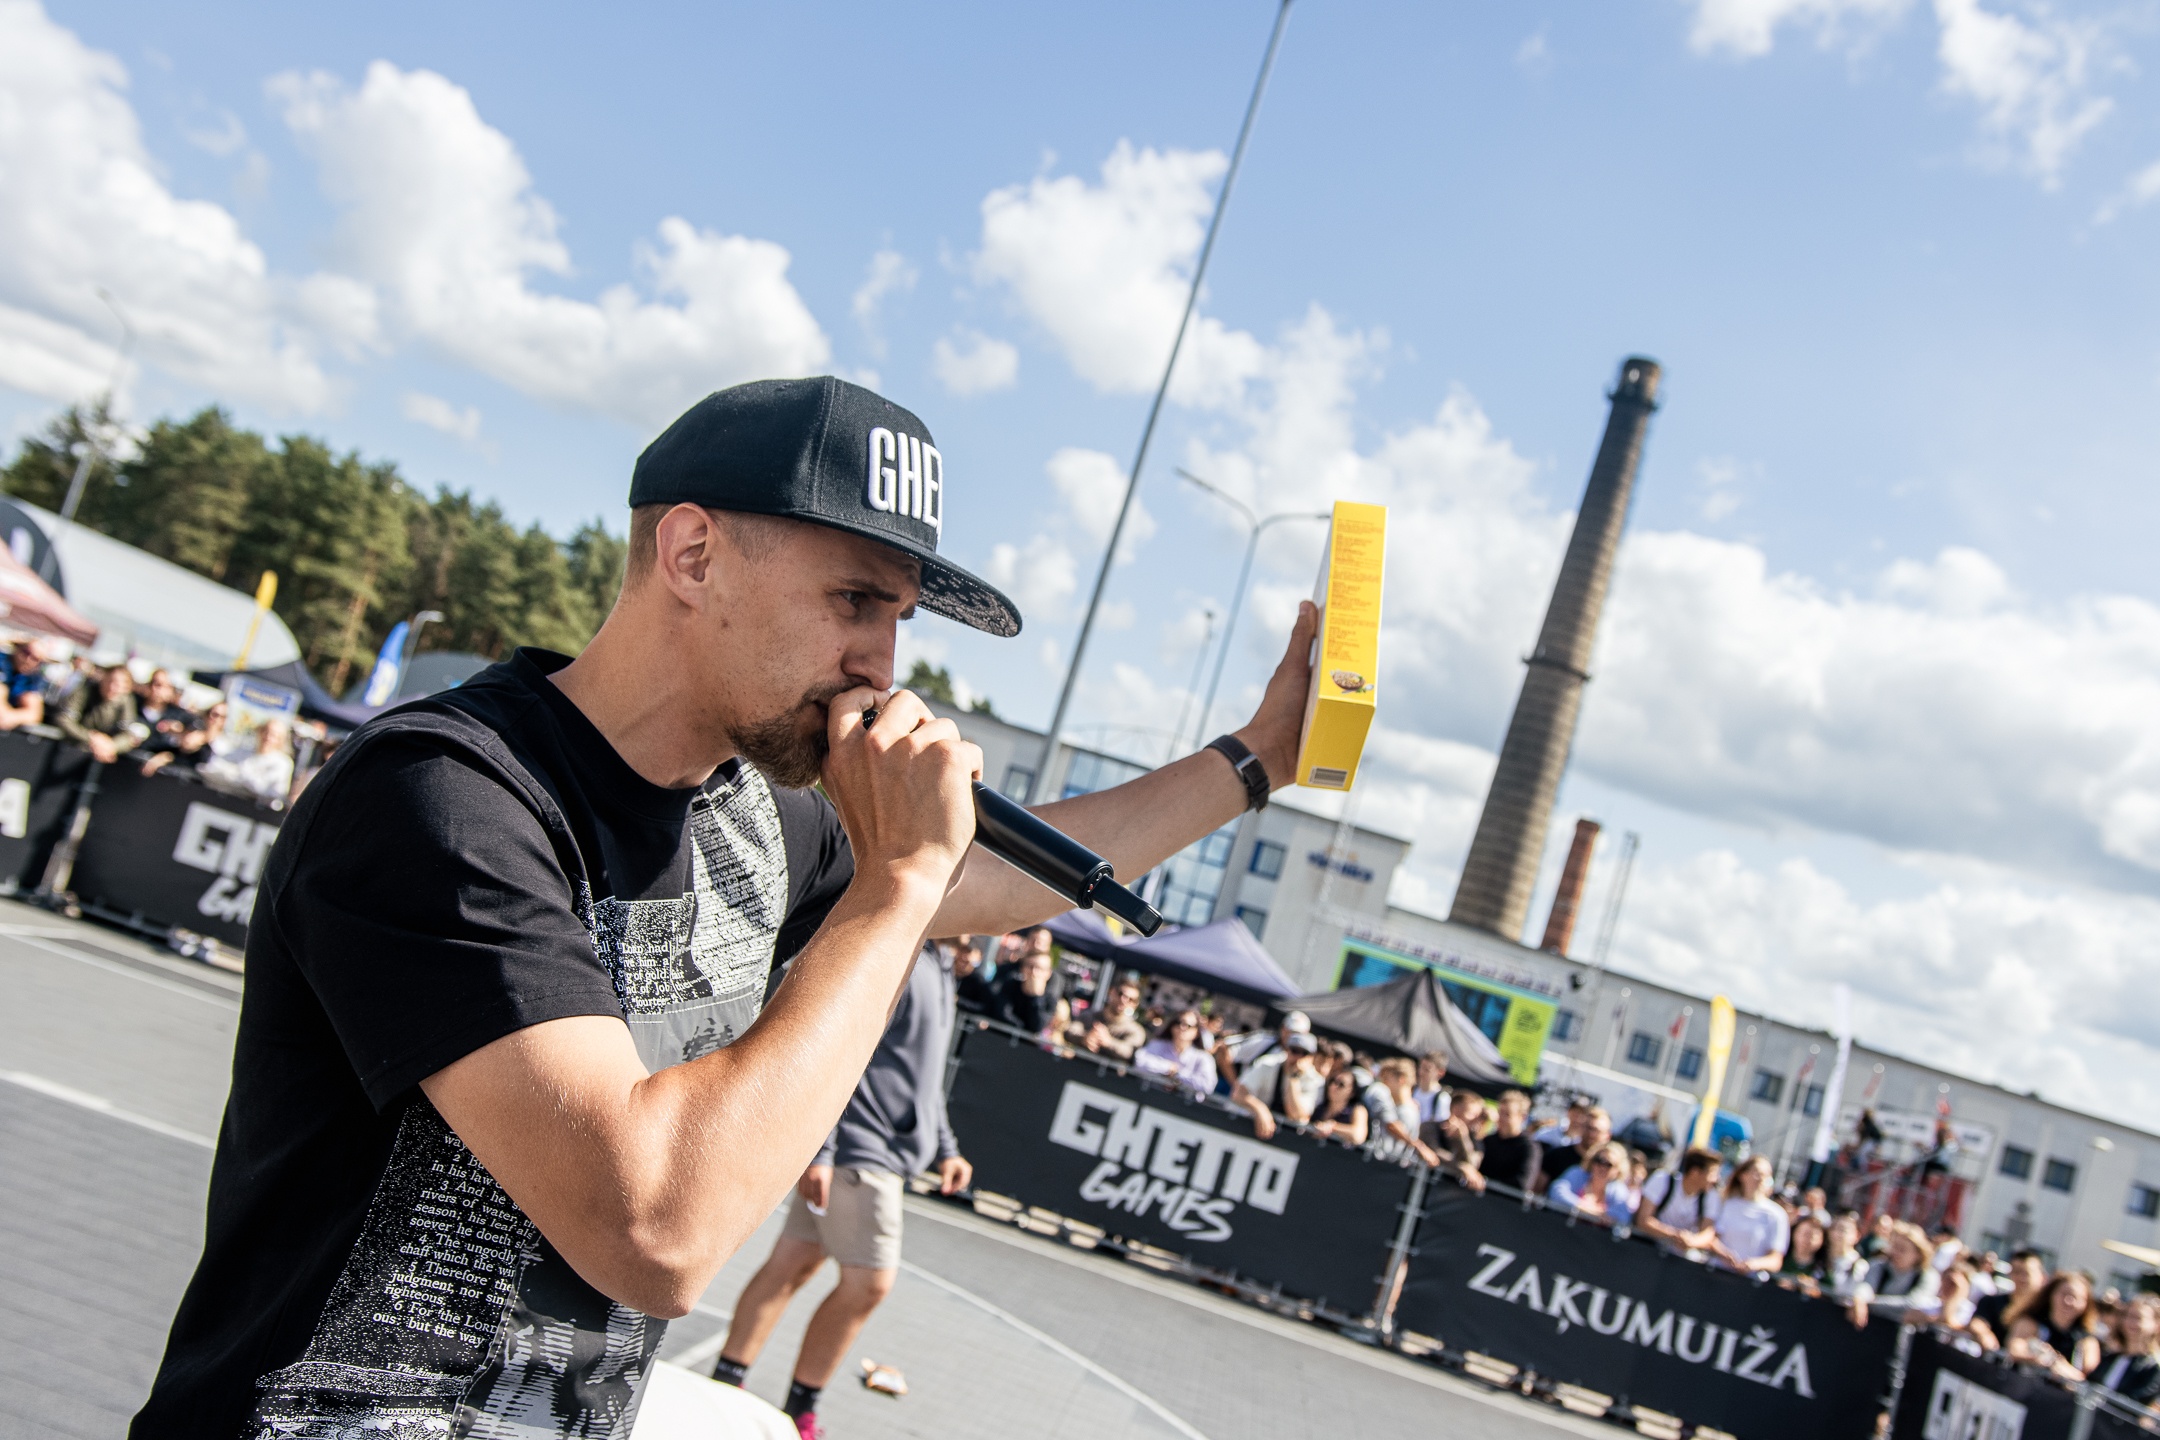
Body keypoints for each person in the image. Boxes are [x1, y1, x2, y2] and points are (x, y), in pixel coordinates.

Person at [130, 375, 1319, 1438]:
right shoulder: (446, 798)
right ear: (693, 556)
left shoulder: (754, 813)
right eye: (854, 601)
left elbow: (981, 879)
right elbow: (652, 1230)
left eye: (897, 620)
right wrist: (896, 883)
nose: (881, 665)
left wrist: (1257, 759)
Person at [711, 939, 972, 1434]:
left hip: (862, 1153)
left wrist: (946, 1147)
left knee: (792, 1263)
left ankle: (726, 1385)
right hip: (861, 1152)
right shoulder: (907, 957)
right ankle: (799, 1413)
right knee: (869, 1285)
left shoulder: (939, 966)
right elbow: (842, 1049)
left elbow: (926, 1074)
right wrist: (822, 1151)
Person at [2006, 1270, 2104, 1382]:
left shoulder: (2086, 1340)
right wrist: (2043, 1358)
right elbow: (2015, 1349)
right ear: (2051, 1294)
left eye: (2076, 1298)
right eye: (2064, 1294)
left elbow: (2088, 1375)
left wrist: (2062, 1369)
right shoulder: (2031, 1322)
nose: (2068, 1301)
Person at [1231, 1030, 1321, 1140]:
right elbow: (1237, 1093)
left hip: (1288, 1139)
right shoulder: (1267, 1063)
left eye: (1304, 1053)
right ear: (1286, 1050)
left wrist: (1293, 1077)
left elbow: (1297, 1116)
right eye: (1295, 1051)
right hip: (1253, 1128)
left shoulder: (1315, 1081)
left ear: (1312, 1057)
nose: (1298, 1058)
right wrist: (1260, 1109)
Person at [1634, 1148, 1724, 1256]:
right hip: (1648, 1250)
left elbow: (1708, 1233)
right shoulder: (1662, 1180)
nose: (1716, 1179)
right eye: (1713, 1173)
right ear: (1695, 1172)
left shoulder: (1710, 1196)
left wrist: (1691, 1241)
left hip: (1680, 1258)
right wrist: (1674, 1235)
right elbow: (1643, 1220)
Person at [1850, 1221, 1941, 1327]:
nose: (1896, 1253)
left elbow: (1914, 1304)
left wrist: (1871, 1303)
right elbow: (1866, 1287)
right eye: (1894, 1247)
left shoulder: (1928, 1276)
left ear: (1918, 1254)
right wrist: (1860, 1299)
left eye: (1902, 1250)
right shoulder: (1878, 1265)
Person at [1710, 1155, 1790, 1275]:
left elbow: (1776, 1259)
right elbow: (1711, 1237)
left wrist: (1754, 1264)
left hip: (1751, 1280)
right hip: (1718, 1272)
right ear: (1743, 1175)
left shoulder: (1777, 1214)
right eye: (1757, 1173)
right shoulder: (1726, 1204)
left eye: (1766, 1175)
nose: (1761, 1178)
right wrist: (1723, 1253)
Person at [1365, 1057, 1440, 1168]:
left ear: (1401, 1079)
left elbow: (1392, 1126)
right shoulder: (1406, 1107)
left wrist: (1420, 1147)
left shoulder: (1408, 1111)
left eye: (1386, 1079)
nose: (1384, 1083)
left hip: (1387, 1168)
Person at [56, 662, 139, 763]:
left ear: (127, 688)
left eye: (118, 685)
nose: (112, 687)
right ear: (103, 679)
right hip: (71, 748)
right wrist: (91, 737)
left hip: (101, 756)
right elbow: (64, 719)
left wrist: (111, 745)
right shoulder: (86, 690)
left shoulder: (126, 701)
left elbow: (128, 734)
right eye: (109, 681)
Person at [200, 719, 296, 803]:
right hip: (228, 800)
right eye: (265, 731)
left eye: (274, 735)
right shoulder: (243, 752)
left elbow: (264, 789)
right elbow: (214, 767)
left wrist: (237, 774)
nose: (267, 737)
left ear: (281, 740)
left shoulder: (283, 763)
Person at [1972, 1249, 2048, 1351]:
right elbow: (1978, 1322)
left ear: (2042, 1277)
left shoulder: (2045, 1312)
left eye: (2027, 1273)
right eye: (2017, 1271)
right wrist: (1984, 1333)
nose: (2021, 1277)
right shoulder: (1992, 1301)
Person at [1132, 1009, 1219, 1096]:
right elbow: (1139, 1062)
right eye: (1178, 1023)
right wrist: (1167, 1068)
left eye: (1188, 1025)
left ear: (1196, 1032)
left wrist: (1178, 1074)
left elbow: (1208, 1086)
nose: (1182, 1027)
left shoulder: (1203, 1057)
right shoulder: (1158, 1044)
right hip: (1150, 1095)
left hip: (1185, 1102)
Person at [2094, 1295, 2160, 1408]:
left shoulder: (2153, 1368)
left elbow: (2135, 1402)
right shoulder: (2109, 1356)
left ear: (2156, 1324)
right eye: (2128, 1316)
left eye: (2138, 1318)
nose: (2130, 1322)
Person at [987, 942, 1063, 1037]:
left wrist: (1036, 997)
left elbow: (1037, 1026)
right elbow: (1002, 1013)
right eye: (1030, 967)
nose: (1034, 972)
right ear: (1022, 968)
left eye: (1039, 968)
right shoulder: (1010, 985)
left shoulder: (1050, 999)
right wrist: (1022, 1028)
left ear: (1048, 973)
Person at [1065, 975, 1147, 1060]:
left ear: (1135, 1004)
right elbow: (1070, 1030)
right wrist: (1084, 1038)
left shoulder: (1136, 1030)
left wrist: (1108, 1042)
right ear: (1111, 991)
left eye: (1131, 999)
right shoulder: (1089, 1015)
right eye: (1120, 994)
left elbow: (1129, 1052)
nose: (1123, 1000)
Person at [1548, 1142, 1634, 1221]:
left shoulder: (1618, 1189)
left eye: (1608, 1164)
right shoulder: (1577, 1173)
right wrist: (1581, 1206)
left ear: (1618, 1170)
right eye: (1599, 1160)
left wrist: (1595, 1213)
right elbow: (1556, 1191)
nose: (1602, 1167)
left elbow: (1622, 1216)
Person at [1477, 1090, 1543, 1194]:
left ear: (1522, 1117)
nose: (1501, 1118)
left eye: (1507, 1114)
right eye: (1500, 1112)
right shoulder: (1488, 1141)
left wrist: (1485, 1183)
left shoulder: (1529, 1148)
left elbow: (1522, 1183)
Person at [140, 701, 227, 778]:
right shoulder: (177, 748)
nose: (212, 718)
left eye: (218, 716)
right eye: (210, 713)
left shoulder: (221, 747)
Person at [1426, 1088, 1487, 1193]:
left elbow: (1473, 1165)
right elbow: (1433, 1152)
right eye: (1473, 1114)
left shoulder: (1474, 1139)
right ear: (1456, 1111)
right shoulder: (1430, 1127)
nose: (1476, 1120)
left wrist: (1462, 1139)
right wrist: (1461, 1167)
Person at [1540, 1106, 1611, 1193]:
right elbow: (1536, 1191)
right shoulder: (1556, 1155)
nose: (1591, 1134)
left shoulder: (1609, 1166)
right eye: (1588, 1128)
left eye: (1596, 1130)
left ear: (1607, 1135)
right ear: (1581, 1128)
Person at [1311, 1065, 1370, 1147]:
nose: (1333, 1086)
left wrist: (1333, 1127)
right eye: (1331, 1081)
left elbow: (1358, 1136)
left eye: (1341, 1084)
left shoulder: (1358, 1110)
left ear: (1352, 1092)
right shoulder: (1320, 1107)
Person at [0, 641, 47, 730]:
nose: (28, 660)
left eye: (35, 659)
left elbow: (34, 714)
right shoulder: (2, 661)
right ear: (17, 649)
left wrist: (11, 717)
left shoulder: (32, 678)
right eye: (26, 653)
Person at [1823, 1213, 1870, 1302]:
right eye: (1834, 1228)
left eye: (1843, 1230)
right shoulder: (1820, 1257)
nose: (1837, 1234)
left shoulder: (1860, 1265)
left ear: (1857, 1236)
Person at [951, 935, 996, 1015]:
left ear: (979, 957)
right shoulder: (945, 973)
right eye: (962, 950)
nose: (965, 957)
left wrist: (958, 1001)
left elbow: (985, 1007)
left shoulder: (978, 982)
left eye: (969, 952)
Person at [1780, 1214, 1829, 1288]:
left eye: (1811, 1235)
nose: (1806, 1239)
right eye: (1804, 1233)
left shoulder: (1823, 1272)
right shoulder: (1780, 1260)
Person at [1411, 1049, 1451, 1126]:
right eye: (1420, 1067)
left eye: (1427, 1070)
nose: (1420, 1072)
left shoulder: (1442, 1098)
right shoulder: (1412, 1090)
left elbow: (1440, 1126)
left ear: (1441, 1072)